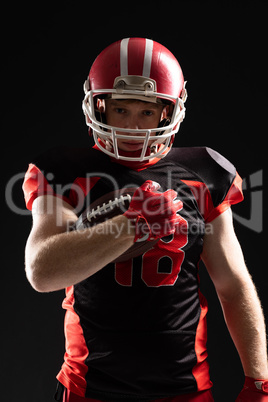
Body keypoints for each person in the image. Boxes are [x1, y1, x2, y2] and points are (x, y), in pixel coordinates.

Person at [23, 38, 268, 401]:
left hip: (186, 391)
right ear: (98, 106)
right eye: (121, 111)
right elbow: (41, 271)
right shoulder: (64, 171)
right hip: (90, 389)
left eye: (146, 112)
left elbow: (233, 285)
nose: (133, 127)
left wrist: (259, 381)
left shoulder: (204, 173)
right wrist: (131, 226)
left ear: (169, 111)